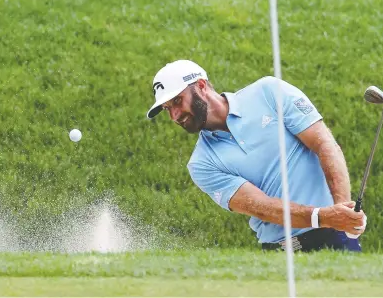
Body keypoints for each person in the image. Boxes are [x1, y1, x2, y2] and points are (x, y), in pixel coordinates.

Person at [146, 59, 367, 252]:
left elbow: (324, 144)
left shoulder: (268, 92)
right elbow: (262, 207)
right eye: (167, 108)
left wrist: (343, 211)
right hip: (281, 253)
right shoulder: (201, 164)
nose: (174, 116)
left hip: (333, 237)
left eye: (177, 101)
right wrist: (326, 216)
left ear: (201, 86)